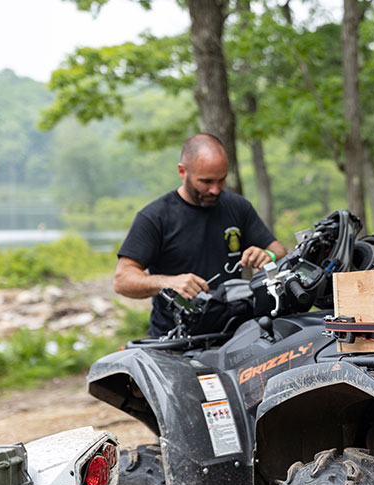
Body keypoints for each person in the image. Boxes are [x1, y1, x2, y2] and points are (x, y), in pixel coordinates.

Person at [114, 133, 287, 336]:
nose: (215, 190)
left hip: (234, 335)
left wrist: (268, 256)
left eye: (221, 180)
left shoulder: (238, 207)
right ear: (182, 171)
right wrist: (169, 283)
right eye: (206, 181)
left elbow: (279, 251)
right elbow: (122, 279)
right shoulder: (155, 217)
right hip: (175, 340)